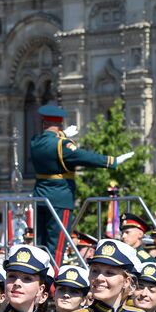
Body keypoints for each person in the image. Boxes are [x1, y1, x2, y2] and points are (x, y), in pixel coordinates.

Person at [28, 105, 129, 259]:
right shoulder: (62, 146)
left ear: (44, 123)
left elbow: (48, 141)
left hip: (40, 197)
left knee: (40, 244)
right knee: (57, 247)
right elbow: (84, 157)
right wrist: (112, 161)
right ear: (60, 124)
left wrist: (62, 135)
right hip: (60, 199)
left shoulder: (35, 142)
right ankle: (52, 281)